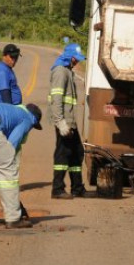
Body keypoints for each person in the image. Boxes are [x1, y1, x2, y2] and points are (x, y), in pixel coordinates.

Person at [48, 43, 87, 199]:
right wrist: (60, 122)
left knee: (77, 152)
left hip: (70, 121)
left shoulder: (67, 71)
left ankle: (77, 187)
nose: (77, 62)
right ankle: (57, 189)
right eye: (75, 59)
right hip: (63, 121)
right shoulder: (60, 72)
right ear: (69, 58)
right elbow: (56, 99)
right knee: (62, 154)